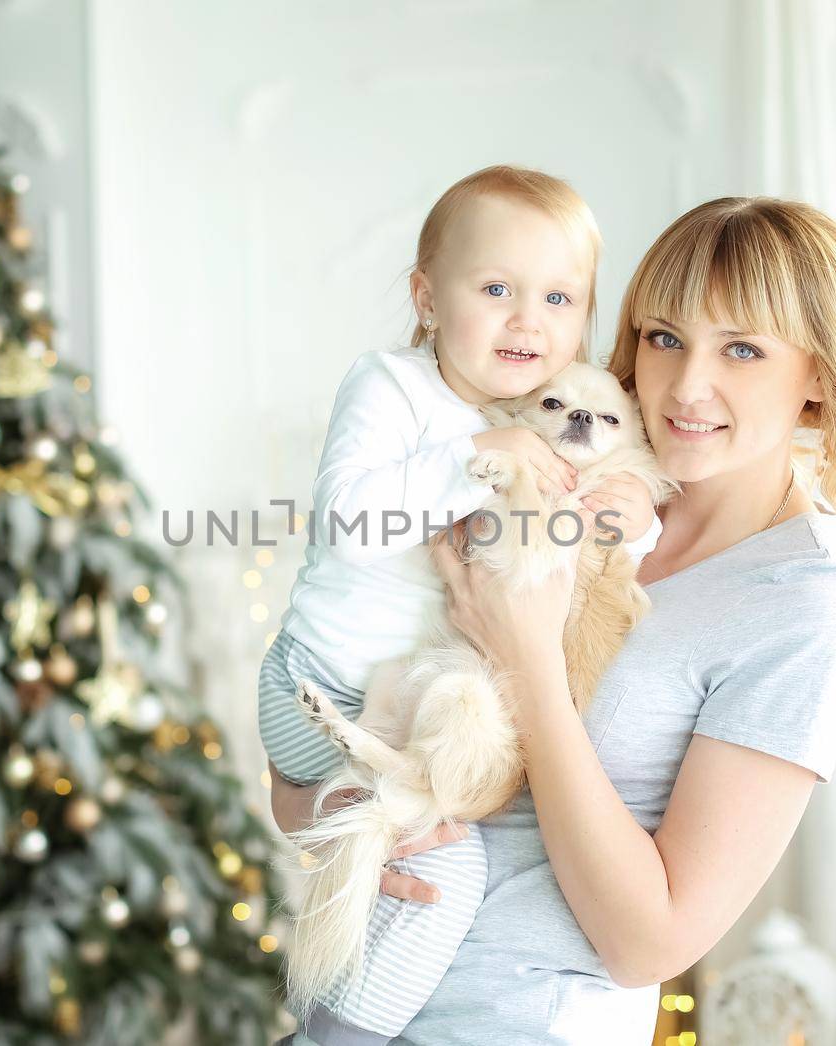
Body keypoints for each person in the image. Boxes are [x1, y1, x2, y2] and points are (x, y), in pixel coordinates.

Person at [272, 195, 836, 1044]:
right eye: (664, 337)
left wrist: (529, 659)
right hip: (355, 1001)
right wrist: (363, 812)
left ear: (819, 378)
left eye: (743, 350)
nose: (688, 386)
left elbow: (649, 942)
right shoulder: (552, 468)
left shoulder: (804, 603)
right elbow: (304, 787)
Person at [257, 165, 661, 1043]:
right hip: (321, 684)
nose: (529, 319)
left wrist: (630, 528)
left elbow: (573, 548)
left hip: (402, 709)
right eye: (496, 288)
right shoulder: (394, 388)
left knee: (421, 861)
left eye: (559, 298)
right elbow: (348, 523)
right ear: (427, 298)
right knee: (447, 875)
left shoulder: (548, 411)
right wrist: (482, 451)